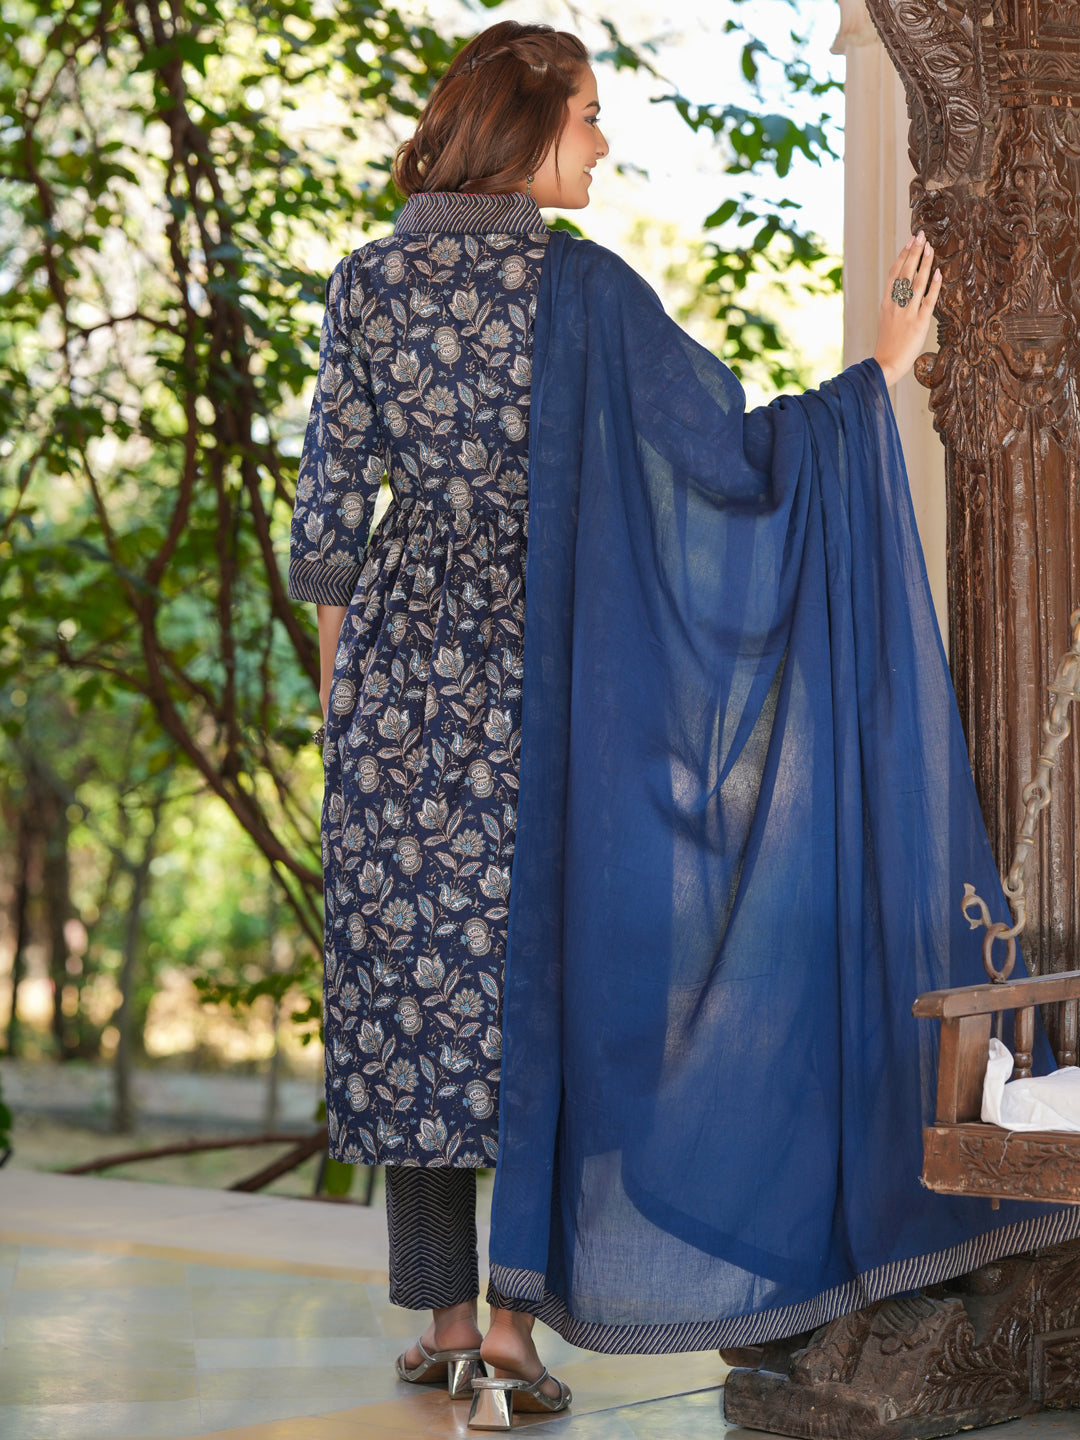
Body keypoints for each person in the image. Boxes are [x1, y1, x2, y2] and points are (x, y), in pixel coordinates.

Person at [290, 19, 1080, 1432]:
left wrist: (345, 708)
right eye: (588, 114)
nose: (602, 142)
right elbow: (730, 455)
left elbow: (331, 526)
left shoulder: (369, 281)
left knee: (420, 997)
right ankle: (514, 1331)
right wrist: (877, 372)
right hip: (553, 684)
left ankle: (445, 1321)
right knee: (542, 991)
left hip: (399, 686)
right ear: (526, 125)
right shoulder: (582, 290)